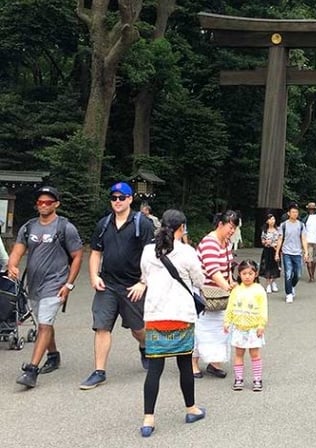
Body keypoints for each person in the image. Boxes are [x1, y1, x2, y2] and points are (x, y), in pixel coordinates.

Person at [80, 182, 156, 390]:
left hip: (133, 286)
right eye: (114, 198)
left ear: (131, 199)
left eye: (122, 197)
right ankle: (99, 371)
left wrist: (143, 282)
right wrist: (94, 276)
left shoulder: (143, 224)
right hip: (108, 284)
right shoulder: (103, 224)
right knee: (102, 326)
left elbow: (152, 257)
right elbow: (96, 252)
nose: (117, 201)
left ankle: (144, 346)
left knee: (138, 329)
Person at [139, 209, 206, 437]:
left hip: (156, 315)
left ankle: (148, 419)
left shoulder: (148, 251)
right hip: (181, 314)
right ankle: (191, 408)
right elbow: (200, 279)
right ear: (181, 228)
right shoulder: (187, 252)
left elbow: (145, 277)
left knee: (155, 369)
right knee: (184, 365)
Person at [8, 186, 83, 388]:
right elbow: (18, 251)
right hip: (33, 284)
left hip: (56, 283)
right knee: (44, 322)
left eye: (48, 202)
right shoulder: (29, 227)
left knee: (43, 324)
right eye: (40, 202)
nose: (43, 205)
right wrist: (12, 265)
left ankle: (31, 370)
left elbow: (77, 256)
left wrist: (68, 284)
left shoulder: (65, 227)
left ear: (56, 204)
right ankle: (54, 355)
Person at [192, 210, 238, 378]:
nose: (232, 231)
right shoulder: (210, 242)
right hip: (204, 293)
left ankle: (214, 362)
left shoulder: (225, 242)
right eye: (230, 227)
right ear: (220, 224)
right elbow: (213, 271)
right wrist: (228, 287)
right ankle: (193, 364)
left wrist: (231, 282)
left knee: (221, 328)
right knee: (200, 329)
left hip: (219, 294)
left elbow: (227, 267)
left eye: (234, 228)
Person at [224, 259, 268, 392]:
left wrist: (261, 324)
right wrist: (227, 321)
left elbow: (263, 308)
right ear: (239, 274)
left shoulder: (259, 290)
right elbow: (230, 307)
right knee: (239, 354)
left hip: (254, 328)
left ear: (256, 274)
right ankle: (238, 379)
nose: (247, 276)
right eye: (244, 273)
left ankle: (257, 379)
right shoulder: (236, 290)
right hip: (239, 327)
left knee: (255, 354)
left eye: (250, 273)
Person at [275, 202, 308, 303]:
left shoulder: (301, 225)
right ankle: (288, 293)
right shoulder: (284, 225)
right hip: (287, 252)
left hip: (297, 252)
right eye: (293, 212)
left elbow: (303, 239)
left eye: (296, 212)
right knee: (288, 273)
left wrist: (306, 252)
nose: (295, 214)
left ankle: (292, 285)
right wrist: (277, 252)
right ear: (288, 213)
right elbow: (280, 239)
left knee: (298, 274)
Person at [302, 202, 316, 282]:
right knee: (315, 259)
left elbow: (302, 231)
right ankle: (313, 274)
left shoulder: (305, 219)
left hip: (308, 241)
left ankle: (310, 276)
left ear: (308, 209)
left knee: (308, 258)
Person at [259, 214, 281, 293]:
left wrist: (277, 249)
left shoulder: (278, 229)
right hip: (267, 250)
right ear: (267, 221)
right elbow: (262, 241)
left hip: (275, 250)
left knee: (276, 266)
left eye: (273, 219)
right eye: (270, 219)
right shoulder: (264, 230)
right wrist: (265, 242)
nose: (272, 221)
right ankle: (268, 284)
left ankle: (273, 282)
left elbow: (280, 240)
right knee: (267, 267)